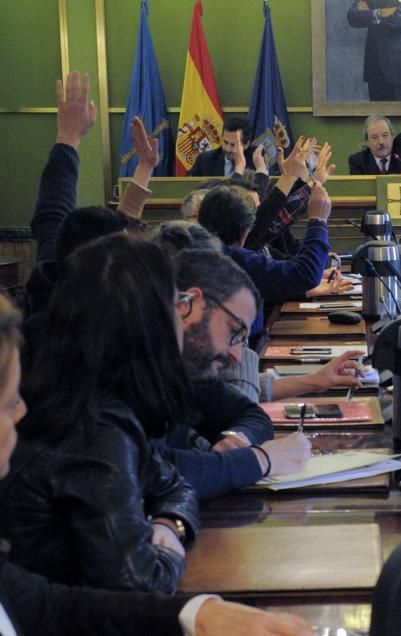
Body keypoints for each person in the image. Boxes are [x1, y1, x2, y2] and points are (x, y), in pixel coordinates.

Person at [0, 295, 312, 635]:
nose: (21, 415)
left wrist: (196, 611)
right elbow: (138, 581)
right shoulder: (97, 424)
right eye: (10, 403)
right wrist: (258, 460)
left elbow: (47, 606)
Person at [0, 235, 198, 594]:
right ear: (149, 323)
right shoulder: (96, 431)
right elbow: (143, 585)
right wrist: (171, 553)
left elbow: (172, 483)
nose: (184, 321)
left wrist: (171, 524)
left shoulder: (87, 399)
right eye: (178, 304)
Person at [163, 249, 311, 499]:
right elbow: (157, 473)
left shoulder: (189, 369)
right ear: (191, 305)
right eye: (234, 331)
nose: (237, 356)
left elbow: (252, 415)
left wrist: (234, 438)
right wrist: (262, 459)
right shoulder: (124, 367)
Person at [23, 72, 149, 322]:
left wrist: (68, 137)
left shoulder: (44, 302)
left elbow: (52, 210)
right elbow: (52, 214)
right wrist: (145, 167)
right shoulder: (136, 329)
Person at [197, 182, 330, 339]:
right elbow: (306, 274)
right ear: (246, 228)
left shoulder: (195, 251)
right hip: (234, 352)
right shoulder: (234, 260)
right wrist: (318, 220)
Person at [348, 66, 401, 174]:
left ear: (392, 136)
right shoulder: (358, 162)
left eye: (385, 135)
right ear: (367, 141)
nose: (381, 142)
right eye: (374, 137)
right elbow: (359, 190)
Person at [347, 1, 401, 101]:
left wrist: (369, 15)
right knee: (378, 113)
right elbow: (352, 16)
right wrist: (379, 13)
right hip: (375, 66)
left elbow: (398, 21)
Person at [188, 116, 256, 177]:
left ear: (246, 144)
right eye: (225, 142)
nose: (228, 149)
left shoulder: (256, 161)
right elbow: (187, 184)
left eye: (233, 145)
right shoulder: (205, 160)